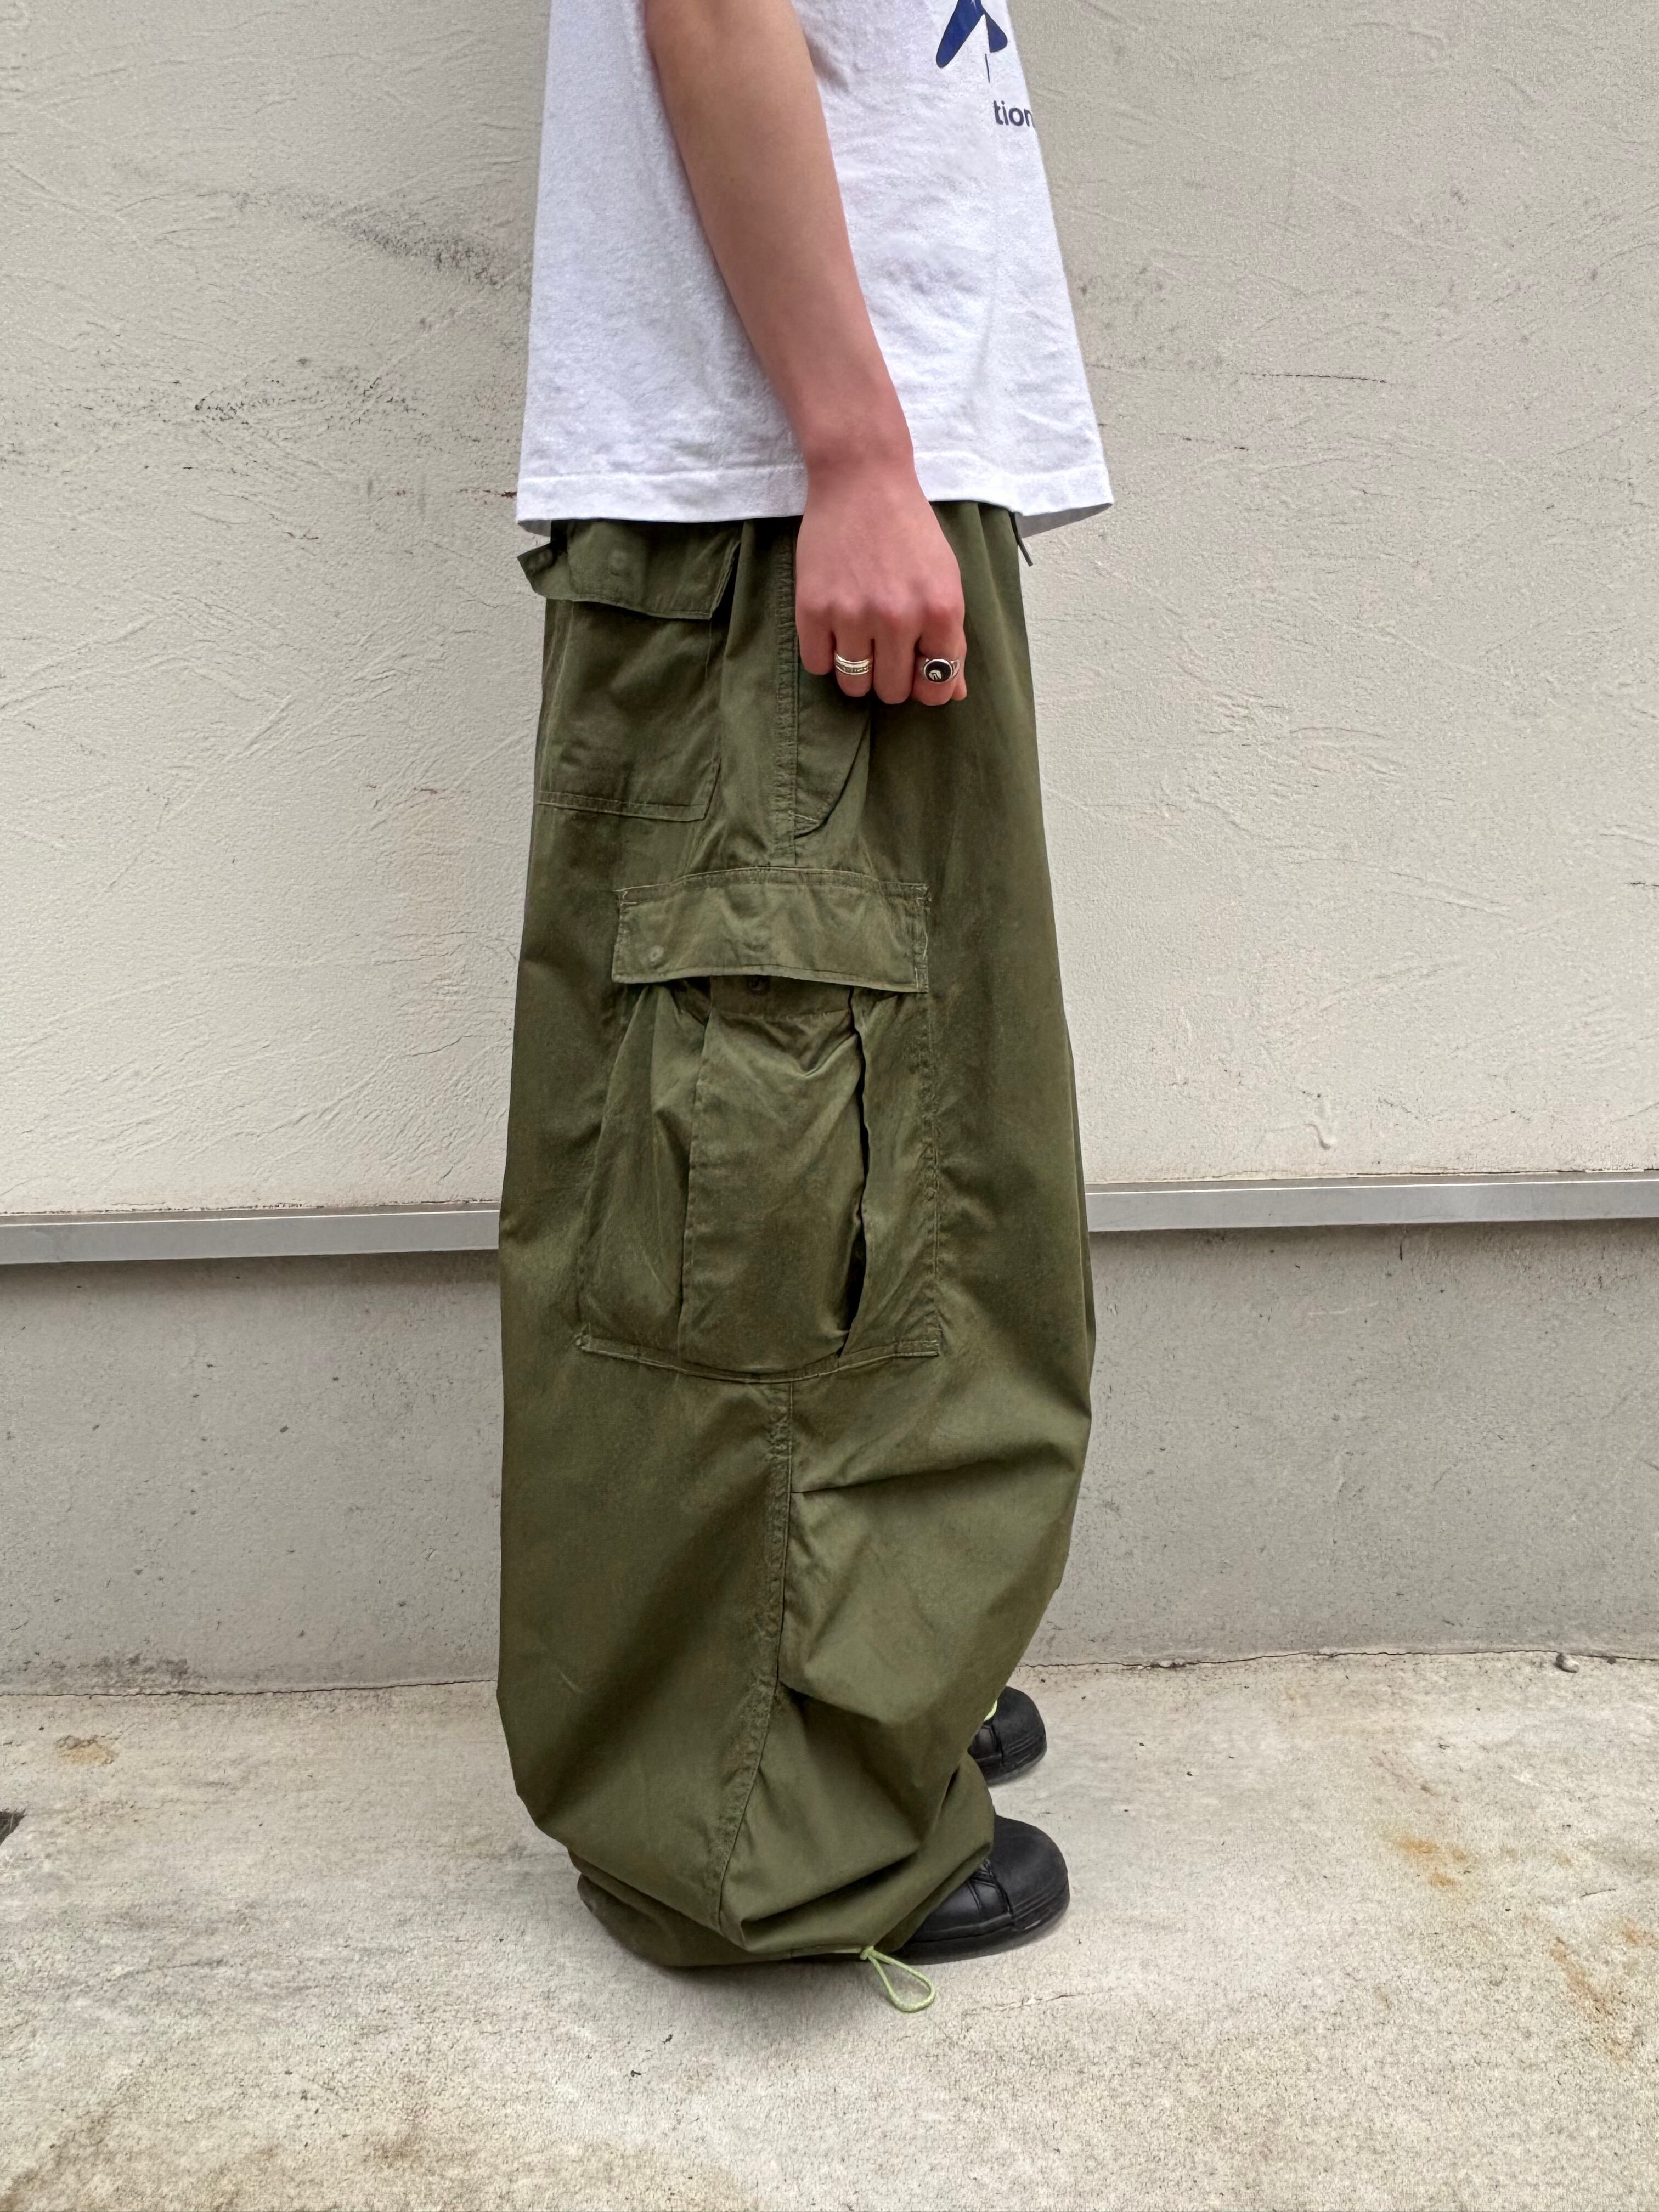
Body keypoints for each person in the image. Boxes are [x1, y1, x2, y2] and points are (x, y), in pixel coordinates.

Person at [496, 0, 1111, 2003]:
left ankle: (871, 1671)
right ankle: (757, 1822)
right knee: (774, 1215)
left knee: (930, 1174)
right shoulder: (818, 465)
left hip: (850, 476)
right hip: (779, 491)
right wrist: (849, 446)